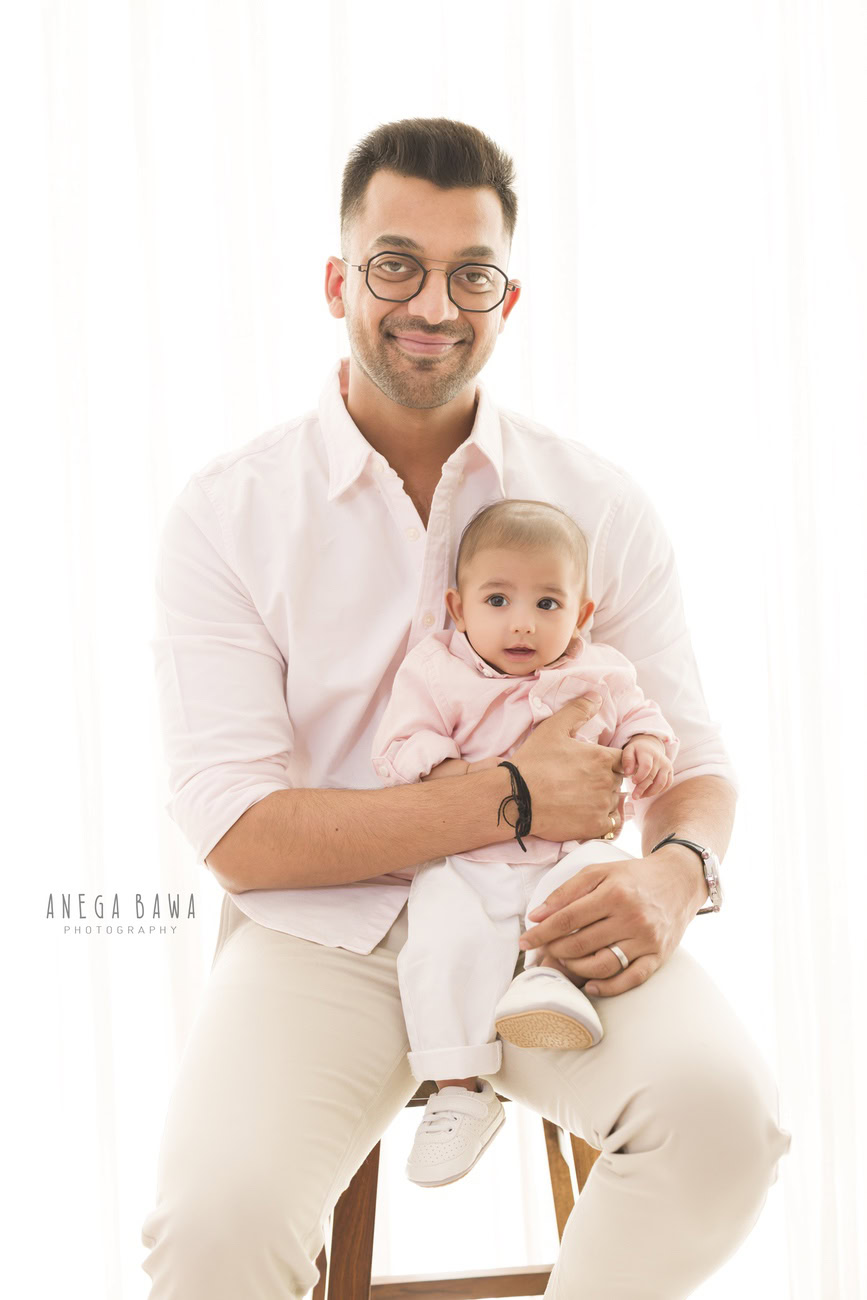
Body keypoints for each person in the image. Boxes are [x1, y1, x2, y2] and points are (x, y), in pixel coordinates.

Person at [141, 117, 791, 1298]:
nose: (434, 304)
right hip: (318, 939)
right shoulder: (228, 513)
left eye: (470, 273)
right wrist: (513, 795)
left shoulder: (596, 500)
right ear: (338, 282)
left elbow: (695, 760)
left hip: (547, 919)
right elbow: (238, 831)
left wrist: (673, 875)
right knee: (213, 1228)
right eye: (397, 265)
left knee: (724, 1127)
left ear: (508, 295)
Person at [370, 497, 679, 1188]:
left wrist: (645, 747)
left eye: (547, 604)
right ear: (457, 608)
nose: (521, 622)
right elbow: (399, 745)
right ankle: (459, 1087)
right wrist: (458, 776)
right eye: (497, 600)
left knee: (597, 889)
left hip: (570, 852)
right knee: (441, 941)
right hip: (469, 858)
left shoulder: (599, 672)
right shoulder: (436, 672)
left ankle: (548, 981)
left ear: (581, 614)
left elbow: (642, 716)